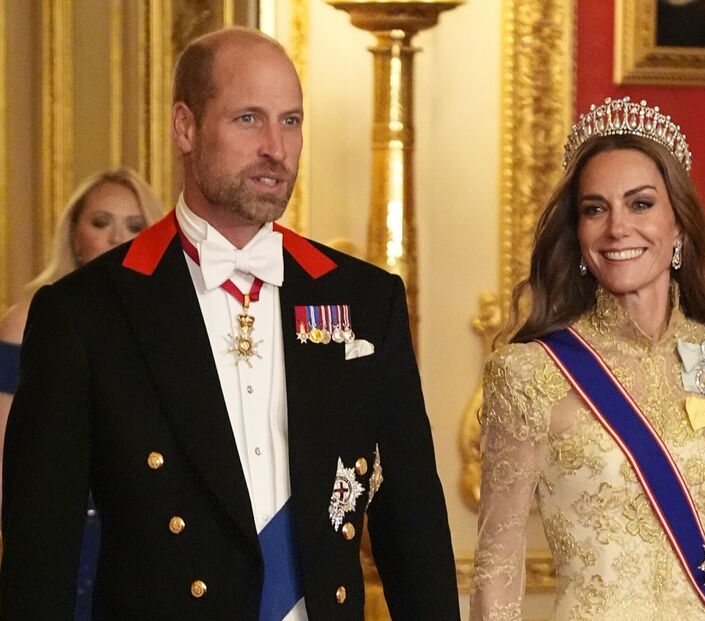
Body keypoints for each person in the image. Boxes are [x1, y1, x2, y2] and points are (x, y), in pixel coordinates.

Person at [0, 27, 458, 620]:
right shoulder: (86, 313)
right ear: (185, 127)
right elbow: (40, 563)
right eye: (249, 119)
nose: (276, 146)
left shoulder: (366, 301)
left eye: (290, 121)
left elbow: (412, 526)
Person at [469, 97, 705, 620]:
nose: (617, 227)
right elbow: (497, 566)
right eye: (595, 209)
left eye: (641, 204)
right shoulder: (530, 374)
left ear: (679, 229)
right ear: (578, 237)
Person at [0, 167, 163, 620]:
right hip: (62, 536)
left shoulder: (168, 328)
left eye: (135, 227)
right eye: (101, 222)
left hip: (152, 544)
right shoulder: (27, 318)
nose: (116, 238)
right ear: (74, 235)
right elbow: (6, 469)